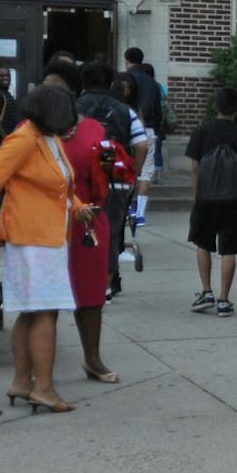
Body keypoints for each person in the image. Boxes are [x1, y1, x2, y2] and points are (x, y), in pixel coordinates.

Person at [0, 84, 95, 414]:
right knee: (45, 312)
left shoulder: (49, 139)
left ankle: (21, 382)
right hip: (33, 241)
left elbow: (59, 185)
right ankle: (44, 387)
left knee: (32, 310)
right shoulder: (23, 139)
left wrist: (78, 206)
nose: (73, 120)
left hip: (47, 237)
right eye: (68, 113)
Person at [43, 60, 124, 384]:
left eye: (58, 89)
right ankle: (38, 364)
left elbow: (107, 168)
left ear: (73, 94)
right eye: (46, 88)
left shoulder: (94, 129)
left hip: (87, 221)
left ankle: (92, 358)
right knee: (43, 296)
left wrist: (109, 167)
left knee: (91, 294)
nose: (51, 95)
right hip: (43, 221)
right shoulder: (32, 130)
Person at [75, 60, 150, 299]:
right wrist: (133, 174)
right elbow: (142, 145)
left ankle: (79, 280)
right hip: (115, 181)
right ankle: (104, 286)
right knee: (109, 233)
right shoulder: (124, 110)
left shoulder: (73, 107)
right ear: (110, 82)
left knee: (77, 232)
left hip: (79, 181)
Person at [186, 87, 237, 316]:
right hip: (234, 198)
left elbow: (195, 167)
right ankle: (224, 300)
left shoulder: (202, 131)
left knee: (203, 243)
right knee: (229, 248)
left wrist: (196, 194)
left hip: (206, 197)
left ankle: (206, 291)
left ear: (215, 106)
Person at [123, 46, 166, 179]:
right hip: (148, 127)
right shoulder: (152, 82)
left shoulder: (124, 78)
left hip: (127, 129)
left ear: (126, 61)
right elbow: (158, 108)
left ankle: (130, 199)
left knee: (127, 168)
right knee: (146, 172)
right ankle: (142, 200)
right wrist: (156, 128)